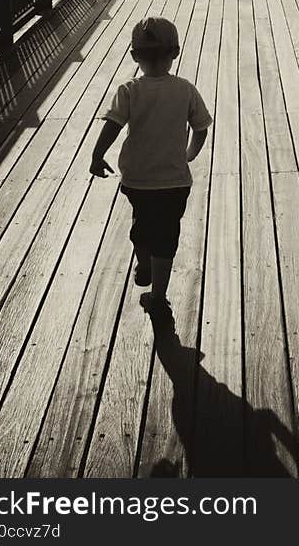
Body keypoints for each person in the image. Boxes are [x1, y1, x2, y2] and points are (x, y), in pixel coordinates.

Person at [89, 16, 213, 319]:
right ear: (176, 52)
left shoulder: (129, 90)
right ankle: (158, 295)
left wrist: (97, 154)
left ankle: (143, 260)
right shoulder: (185, 90)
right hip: (174, 181)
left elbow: (113, 126)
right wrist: (189, 154)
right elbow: (201, 127)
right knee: (166, 236)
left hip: (138, 179)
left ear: (134, 56)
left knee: (141, 226)